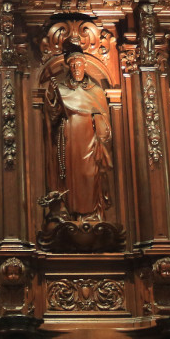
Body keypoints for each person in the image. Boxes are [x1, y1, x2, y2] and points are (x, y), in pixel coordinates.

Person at [43, 52, 112, 219]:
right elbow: (53, 115)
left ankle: (91, 214)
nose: (76, 68)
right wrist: (52, 95)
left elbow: (104, 121)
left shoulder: (96, 91)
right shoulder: (62, 89)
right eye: (73, 65)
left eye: (79, 64)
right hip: (69, 140)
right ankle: (70, 213)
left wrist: (99, 123)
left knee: (90, 175)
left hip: (90, 141)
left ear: (84, 66)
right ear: (69, 67)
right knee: (70, 177)